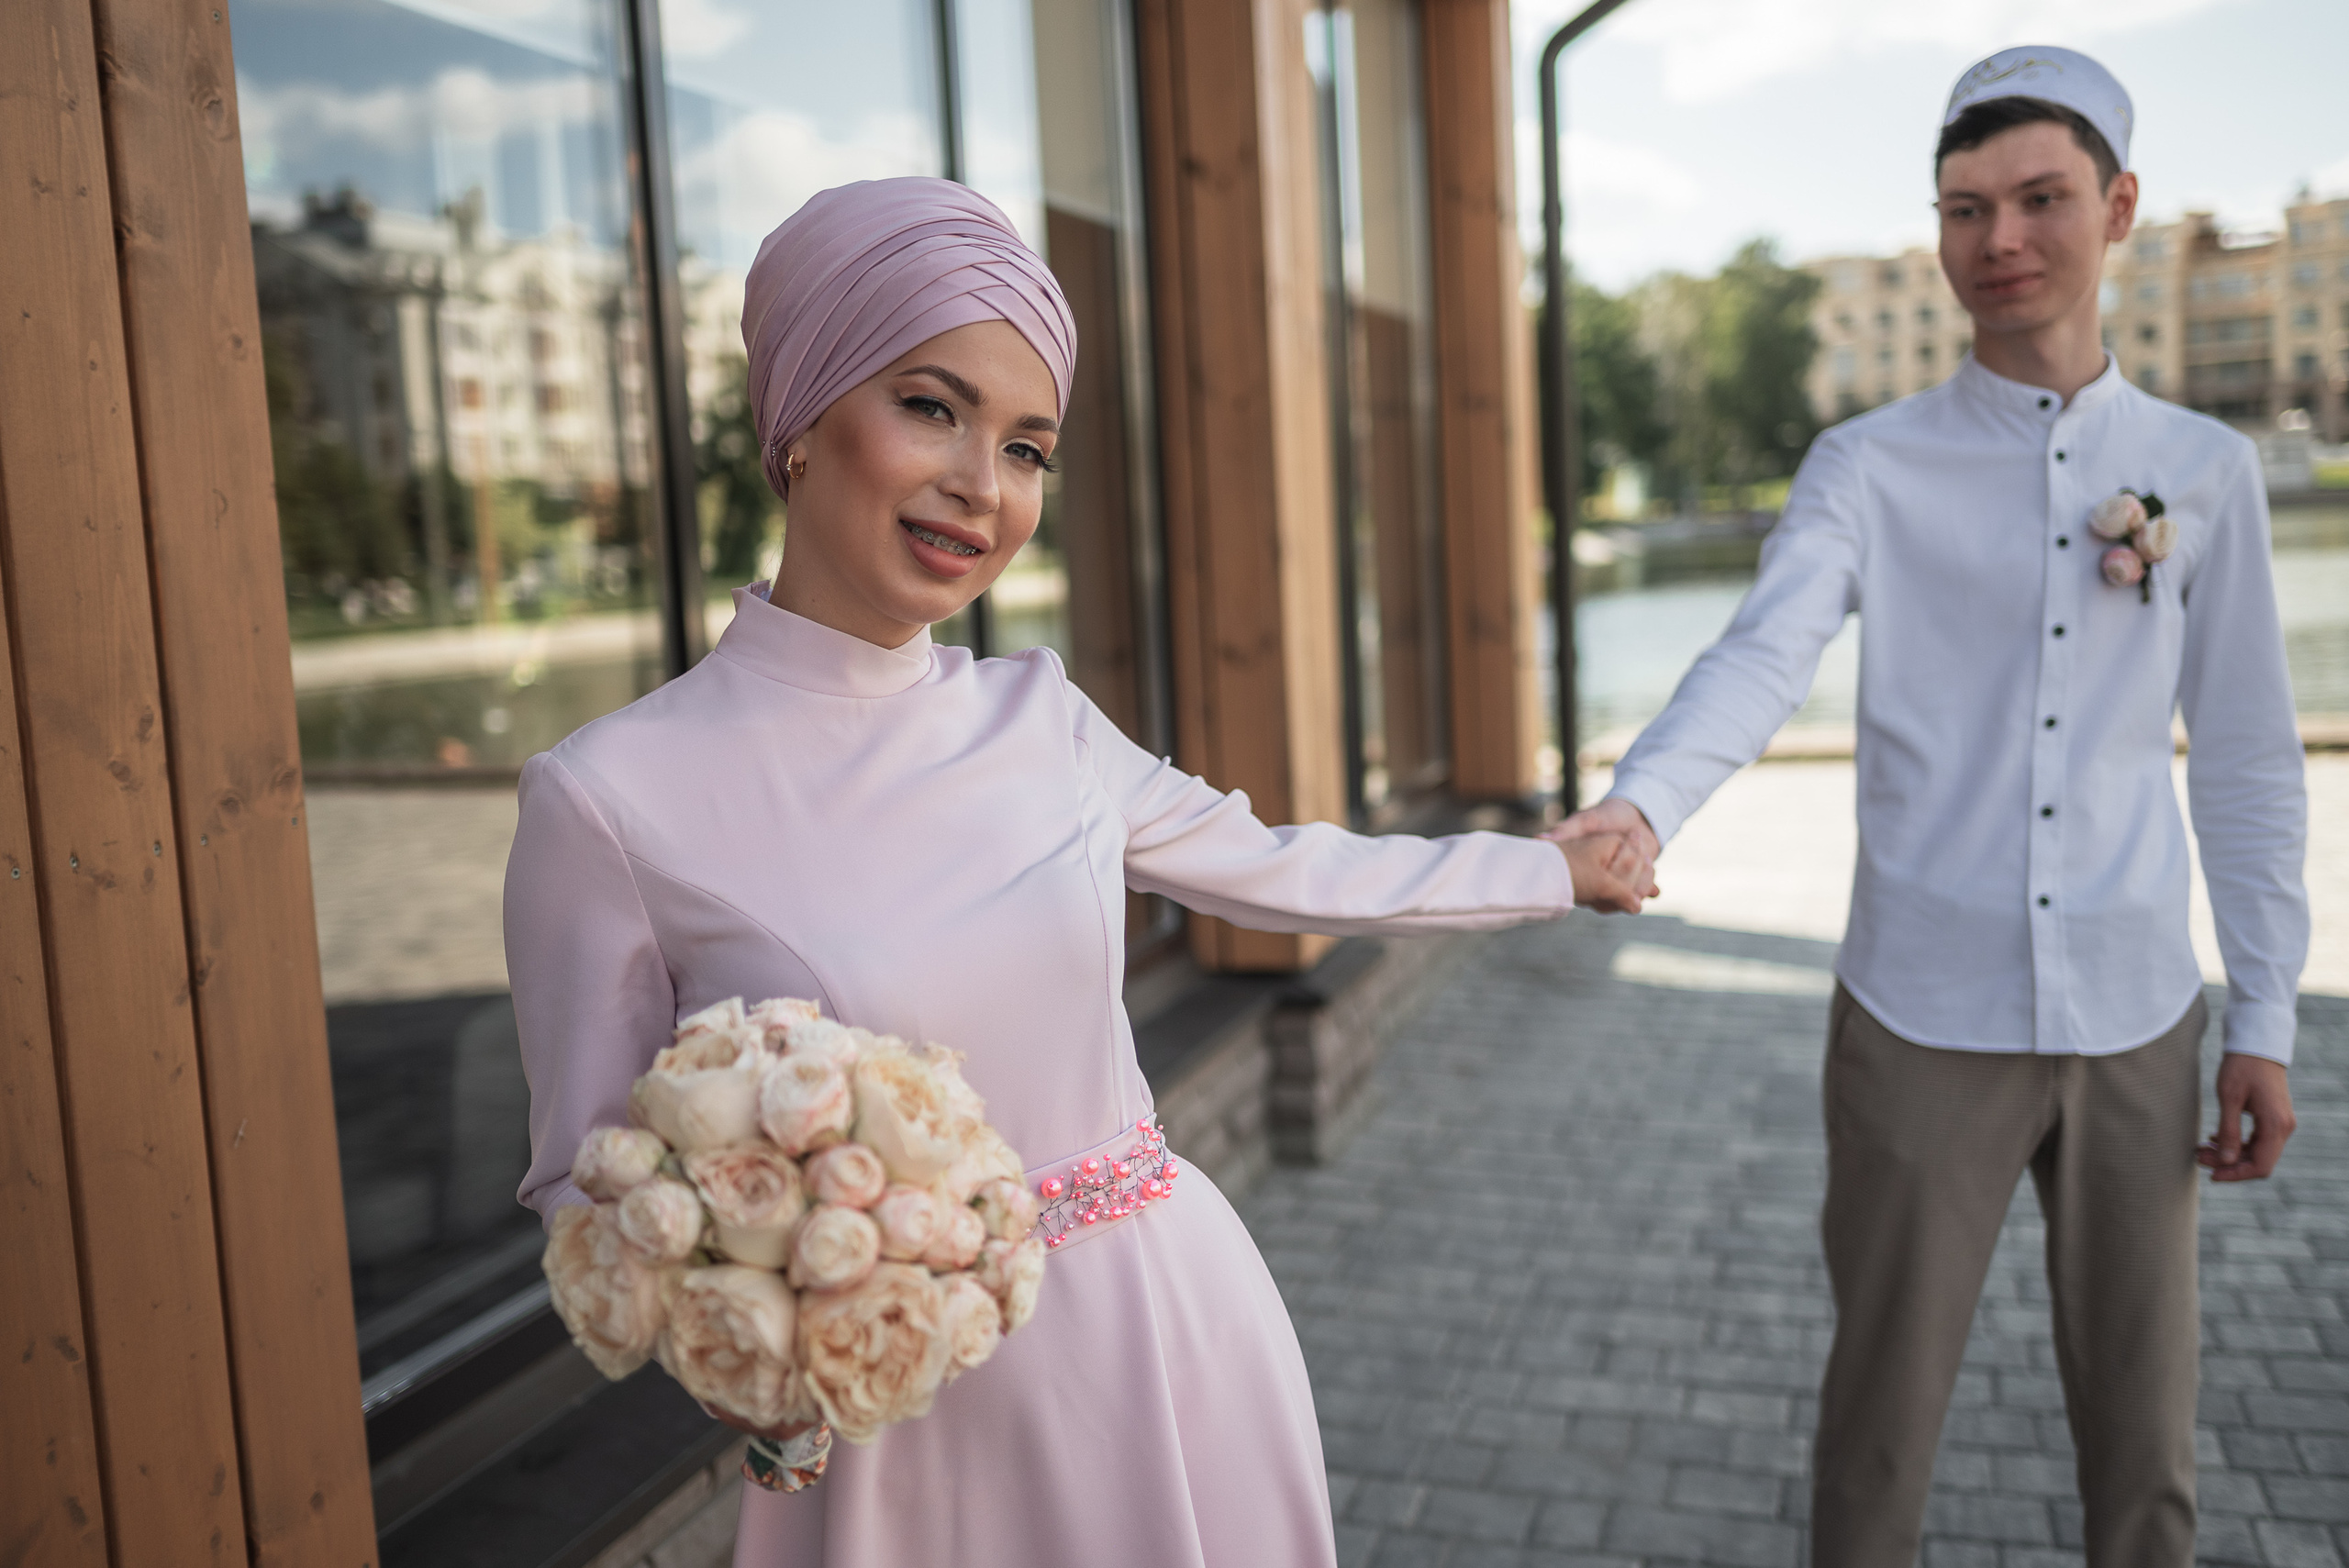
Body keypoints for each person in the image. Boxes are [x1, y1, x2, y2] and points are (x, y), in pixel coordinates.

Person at [505, 176, 1657, 1568]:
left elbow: (1281, 869)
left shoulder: (1038, 715)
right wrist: (758, 1359)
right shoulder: (610, 796)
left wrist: (1544, 870)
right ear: (801, 418)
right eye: (932, 407)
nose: (983, 489)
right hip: (901, 1417)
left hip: (1167, 1333)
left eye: (1029, 446)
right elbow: (587, 1176)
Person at [1551, 46, 2307, 1568]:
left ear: (2122, 205)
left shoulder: (2203, 472)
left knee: (2150, 1446)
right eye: (1966, 208)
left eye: (2040, 199)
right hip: (1916, 1013)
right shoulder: (1866, 466)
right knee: (1881, 1428)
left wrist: (2269, 1014)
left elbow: (2244, 754)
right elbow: (1761, 654)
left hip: (2138, 1014)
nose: (2001, 240)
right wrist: (1643, 807)